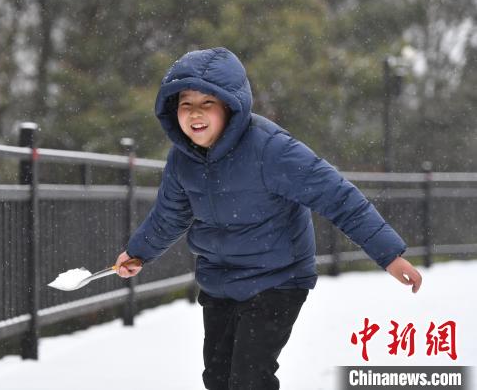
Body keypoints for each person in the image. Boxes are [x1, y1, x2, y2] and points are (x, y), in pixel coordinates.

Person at [113, 47, 422, 390]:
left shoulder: (271, 149)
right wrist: (139, 251)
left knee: (249, 378)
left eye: (207, 103)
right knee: (217, 378)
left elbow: (338, 196)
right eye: (186, 104)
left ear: (230, 106)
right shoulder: (182, 160)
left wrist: (389, 255)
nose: (195, 113)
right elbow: (168, 215)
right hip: (221, 282)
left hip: (278, 280)